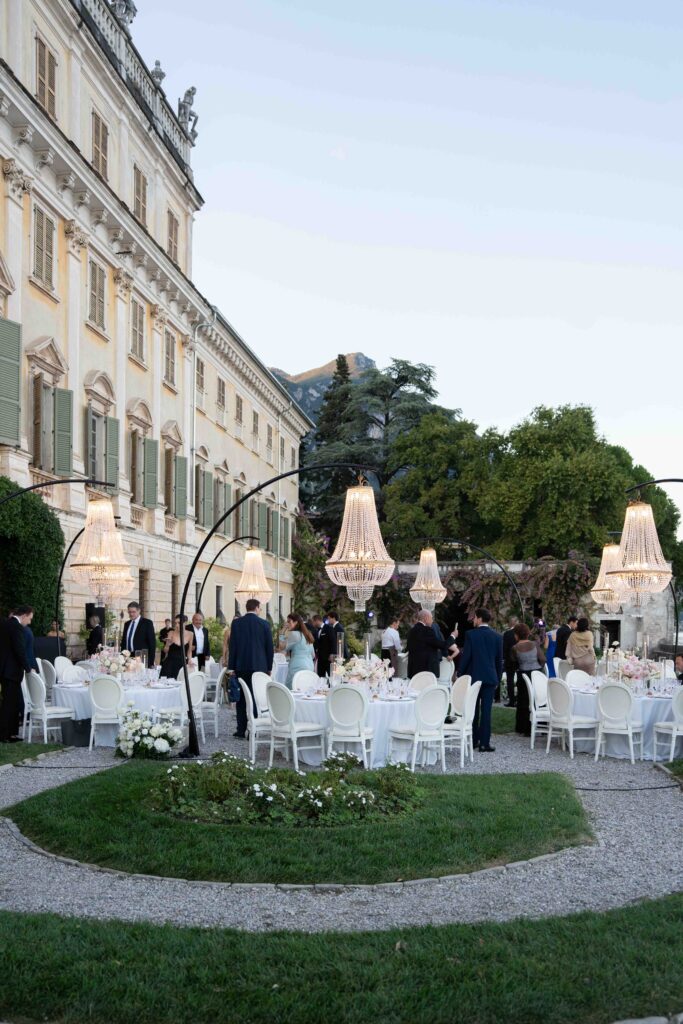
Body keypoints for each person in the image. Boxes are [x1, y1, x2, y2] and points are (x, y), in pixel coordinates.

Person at [457, 608, 503, 753]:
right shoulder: (497, 636)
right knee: (487, 711)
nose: (473, 620)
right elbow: (498, 661)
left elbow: (467, 656)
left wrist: (460, 673)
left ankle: (475, 739)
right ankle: (485, 743)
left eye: (474, 618)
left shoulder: (471, 634)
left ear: (479, 618)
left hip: (474, 677)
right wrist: (498, 678)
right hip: (490, 677)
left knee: (473, 709)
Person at [228, 598, 274, 738]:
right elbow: (269, 648)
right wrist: (269, 667)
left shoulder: (236, 623)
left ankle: (241, 729)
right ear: (257, 608)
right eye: (260, 608)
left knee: (241, 698)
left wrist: (232, 666)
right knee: (255, 697)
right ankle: (254, 728)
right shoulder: (264, 624)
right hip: (260, 666)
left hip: (241, 665)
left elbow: (233, 646)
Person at [0, 606, 33, 742]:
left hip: (5, 670)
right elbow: (20, 650)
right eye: (30, 618)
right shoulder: (17, 627)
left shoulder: (6, 624)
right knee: (9, 704)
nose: (29, 622)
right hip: (11, 671)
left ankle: (11, 734)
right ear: (24, 615)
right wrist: (28, 668)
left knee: (11, 703)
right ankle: (4, 735)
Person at [510, 623, 546, 736]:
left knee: (523, 701)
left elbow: (513, 662)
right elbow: (542, 659)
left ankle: (523, 728)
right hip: (536, 674)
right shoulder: (535, 644)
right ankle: (541, 724)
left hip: (523, 675)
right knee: (538, 699)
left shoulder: (515, 648)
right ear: (527, 633)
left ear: (516, 635)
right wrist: (538, 667)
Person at [406, 610, 458, 678]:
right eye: (431, 618)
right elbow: (443, 645)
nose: (432, 620)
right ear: (426, 618)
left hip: (413, 671)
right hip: (426, 672)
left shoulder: (411, 631)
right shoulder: (427, 630)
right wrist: (453, 636)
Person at [284, 613, 315, 688]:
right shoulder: (308, 634)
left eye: (289, 622)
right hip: (309, 665)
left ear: (296, 622)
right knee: (305, 690)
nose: (287, 624)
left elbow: (282, 647)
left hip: (297, 666)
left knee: (292, 689)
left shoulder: (294, 634)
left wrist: (282, 631)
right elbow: (313, 655)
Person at [121, 602, 157, 666]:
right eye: (129, 612)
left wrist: (151, 662)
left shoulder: (147, 623)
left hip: (142, 657)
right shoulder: (126, 624)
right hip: (128, 657)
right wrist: (122, 657)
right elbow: (124, 642)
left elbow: (152, 643)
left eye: (133, 612)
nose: (131, 614)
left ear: (139, 611)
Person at [315, 610, 348, 678]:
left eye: (329, 618)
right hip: (331, 654)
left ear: (333, 618)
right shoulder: (333, 627)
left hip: (338, 653)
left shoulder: (338, 627)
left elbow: (338, 641)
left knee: (335, 673)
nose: (328, 620)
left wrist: (334, 654)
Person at [160, 615, 192, 679]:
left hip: (182, 663)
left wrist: (190, 660)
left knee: (182, 684)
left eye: (179, 623)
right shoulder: (171, 633)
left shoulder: (190, 634)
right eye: (176, 623)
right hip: (170, 663)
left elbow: (189, 650)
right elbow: (165, 650)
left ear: (185, 623)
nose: (177, 625)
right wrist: (167, 645)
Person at [502, 623, 518, 707]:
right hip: (520, 659)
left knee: (510, 680)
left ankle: (511, 700)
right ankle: (519, 699)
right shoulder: (521, 631)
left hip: (509, 660)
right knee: (521, 680)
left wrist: (504, 657)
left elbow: (504, 647)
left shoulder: (507, 634)